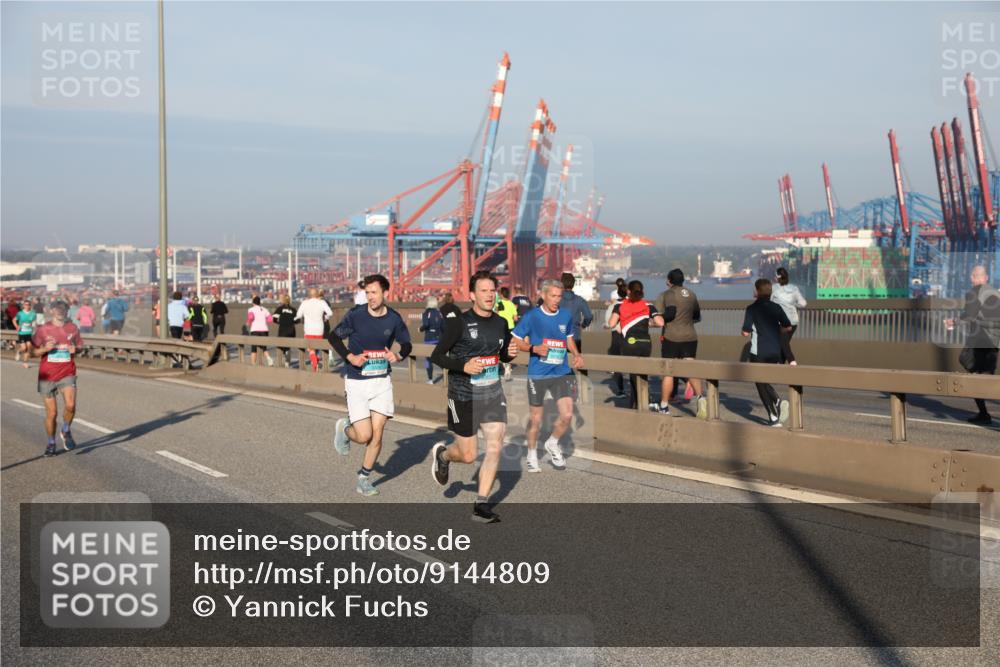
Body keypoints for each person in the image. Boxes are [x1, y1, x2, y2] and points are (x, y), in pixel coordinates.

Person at [430, 270, 519, 523]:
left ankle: (481, 505)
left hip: (492, 392)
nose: (489, 295)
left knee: (495, 446)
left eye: (492, 291)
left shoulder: (501, 322)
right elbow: (437, 356)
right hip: (463, 394)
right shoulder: (458, 323)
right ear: (472, 295)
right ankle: (444, 455)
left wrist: (509, 353)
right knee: (468, 456)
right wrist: (463, 366)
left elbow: (501, 355)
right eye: (483, 291)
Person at [329, 274, 412, 497]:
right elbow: (334, 337)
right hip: (357, 381)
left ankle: (364, 479)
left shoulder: (393, 319)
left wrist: (398, 355)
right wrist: (350, 357)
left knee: (378, 435)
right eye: (367, 293)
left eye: (374, 292)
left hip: (382, 381)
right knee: (364, 436)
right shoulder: (356, 315)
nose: (370, 297)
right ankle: (344, 429)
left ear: (386, 293)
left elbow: (407, 344)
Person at [512, 278, 585, 472]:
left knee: (567, 414)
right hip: (538, 374)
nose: (556, 300)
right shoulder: (532, 316)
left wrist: (577, 354)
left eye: (559, 296)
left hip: (561, 372)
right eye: (552, 296)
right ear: (543, 295)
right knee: (536, 418)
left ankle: (552, 443)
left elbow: (569, 338)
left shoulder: (565, 316)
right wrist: (533, 348)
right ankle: (531, 454)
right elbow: (516, 341)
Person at [949, 265, 1000, 425]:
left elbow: (969, 315)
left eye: (973, 276)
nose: (972, 279)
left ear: (977, 278)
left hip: (980, 340)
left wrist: (954, 321)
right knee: (985, 376)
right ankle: (983, 413)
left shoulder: (974, 292)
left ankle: (984, 414)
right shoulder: (995, 293)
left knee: (969, 365)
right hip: (994, 342)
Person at [31, 301, 83, 457]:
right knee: (52, 414)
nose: (60, 311)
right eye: (57, 309)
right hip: (47, 375)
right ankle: (51, 443)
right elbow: (33, 352)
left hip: (67, 372)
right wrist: (44, 349)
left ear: (67, 311)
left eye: (63, 309)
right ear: (51, 311)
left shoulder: (73, 328)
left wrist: (77, 349)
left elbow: (80, 346)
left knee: (71, 404)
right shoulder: (43, 329)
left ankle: (66, 430)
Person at [655, 268, 706, 419]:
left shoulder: (667, 294)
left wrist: (660, 319)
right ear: (683, 280)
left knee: (668, 372)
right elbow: (697, 316)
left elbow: (669, 313)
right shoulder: (691, 294)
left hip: (672, 337)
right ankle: (701, 398)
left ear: (669, 281)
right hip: (690, 336)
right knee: (691, 368)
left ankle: (664, 405)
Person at [741, 279, 793, 427]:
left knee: (759, 382)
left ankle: (773, 416)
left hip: (759, 352)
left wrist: (745, 331)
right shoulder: (776, 307)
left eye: (754, 289)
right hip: (775, 351)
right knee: (764, 381)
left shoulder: (751, 308)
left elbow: (745, 332)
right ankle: (777, 401)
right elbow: (788, 327)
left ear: (757, 291)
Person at [607, 280, 664, 410]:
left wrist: (624, 321)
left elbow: (611, 324)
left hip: (629, 343)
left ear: (628, 291)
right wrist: (649, 324)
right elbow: (660, 322)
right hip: (645, 344)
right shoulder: (648, 305)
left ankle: (636, 403)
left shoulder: (620, 305)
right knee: (642, 373)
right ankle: (640, 402)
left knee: (633, 375)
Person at [770, 267, 807, 365]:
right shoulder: (794, 288)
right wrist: (793, 304)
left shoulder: (774, 288)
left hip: (781, 322)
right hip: (794, 322)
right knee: (783, 345)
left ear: (777, 277)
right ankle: (780, 367)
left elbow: (768, 303)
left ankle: (792, 361)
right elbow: (803, 304)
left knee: (783, 344)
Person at [295, 288, 333, 372]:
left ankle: (315, 364)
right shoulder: (321, 303)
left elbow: (298, 315)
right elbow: (330, 313)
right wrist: (325, 318)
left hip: (308, 329)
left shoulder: (304, 303)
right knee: (317, 347)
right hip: (319, 329)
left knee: (310, 349)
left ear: (309, 294)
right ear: (317, 294)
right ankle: (316, 362)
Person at [604, 278, 628, 399]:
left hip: (617, 336)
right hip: (632, 337)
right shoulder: (635, 304)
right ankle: (638, 392)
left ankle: (621, 390)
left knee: (617, 364)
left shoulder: (614, 306)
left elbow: (609, 323)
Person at [419, 295, 444, 384]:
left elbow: (426, 324)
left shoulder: (426, 313)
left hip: (429, 339)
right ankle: (448, 374)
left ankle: (430, 379)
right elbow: (443, 327)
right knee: (440, 358)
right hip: (439, 339)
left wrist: (420, 329)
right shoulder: (440, 313)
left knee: (428, 360)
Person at [495, 286, 518, 380]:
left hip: (501, 327)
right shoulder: (512, 304)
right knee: (508, 347)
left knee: (500, 347)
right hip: (511, 327)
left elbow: (496, 314)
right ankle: (507, 366)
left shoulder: (499, 303)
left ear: (501, 294)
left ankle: (503, 366)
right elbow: (515, 318)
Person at [246, 295, 275, 366]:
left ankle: (253, 364)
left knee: (254, 349)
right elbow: (270, 319)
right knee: (263, 347)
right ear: (259, 302)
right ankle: (269, 359)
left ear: (253, 303)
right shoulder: (265, 309)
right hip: (264, 330)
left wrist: (248, 323)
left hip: (255, 330)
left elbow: (251, 317)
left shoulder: (251, 309)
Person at [272, 294, 298, 365]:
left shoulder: (280, 309)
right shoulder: (293, 310)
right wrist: (291, 321)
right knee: (288, 346)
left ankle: (281, 362)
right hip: (291, 330)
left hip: (282, 330)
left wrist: (280, 322)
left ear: (283, 300)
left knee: (281, 346)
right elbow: (297, 320)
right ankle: (287, 362)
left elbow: (274, 319)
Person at [15, 301, 37, 368]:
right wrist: (17, 326)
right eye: (26, 304)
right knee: (24, 348)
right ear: (23, 306)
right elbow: (14, 320)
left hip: (29, 333)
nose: (27, 306)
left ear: (30, 306)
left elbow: (34, 323)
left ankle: (25, 363)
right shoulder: (20, 313)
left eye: (29, 305)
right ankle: (19, 351)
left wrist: (34, 327)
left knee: (28, 348)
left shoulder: (33, 314)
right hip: (22, 333)